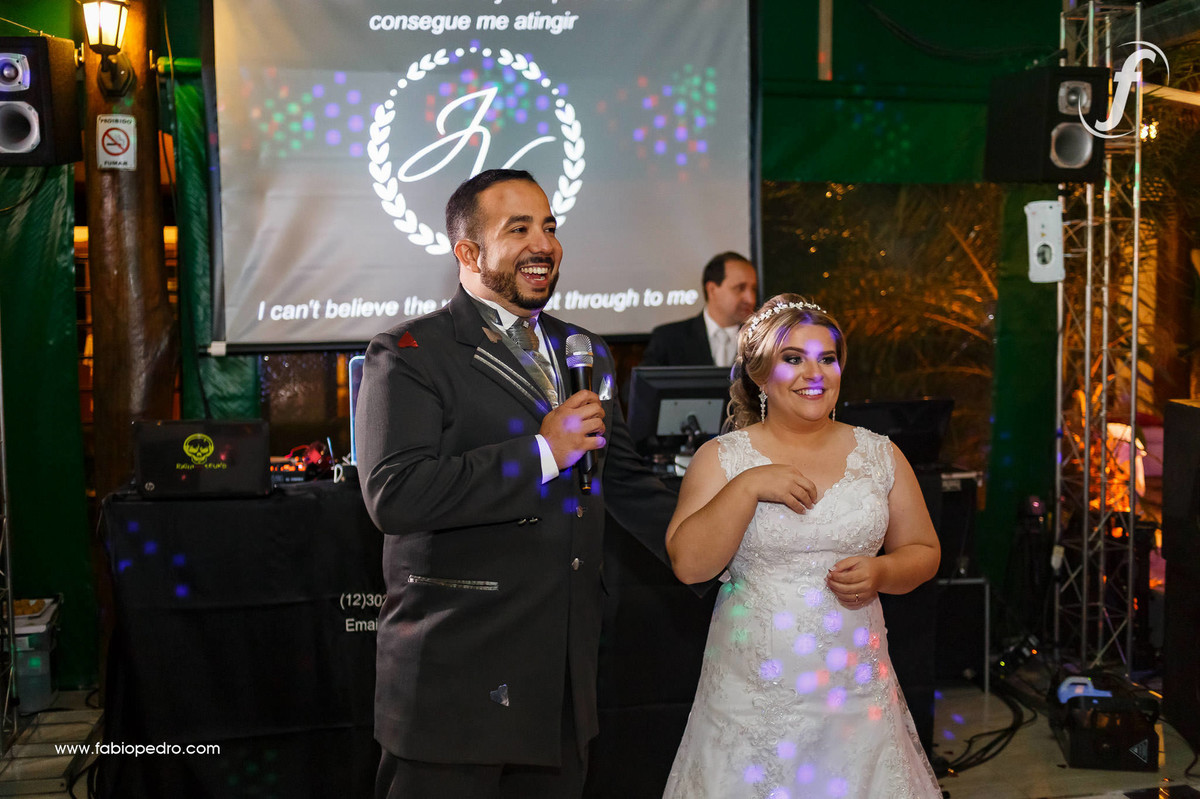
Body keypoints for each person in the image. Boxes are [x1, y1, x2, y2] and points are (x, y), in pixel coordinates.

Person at [355, 168, 679, 798]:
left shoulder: (586, 350)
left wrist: (726, 547)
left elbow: (624, 482)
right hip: (456, 676)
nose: (544, 244)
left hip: (560, 678)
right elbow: (396, 494)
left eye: (549, 227)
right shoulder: (410, 352)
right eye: (519, 229)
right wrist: (541, 453)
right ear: (468, 253)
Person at [661, 294, 943, 798]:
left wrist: (882, 573)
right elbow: (688, 565)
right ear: (760, 374)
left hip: (855, 692)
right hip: (752, 694)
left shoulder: (880, 454)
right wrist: (747, 487)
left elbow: (924, 550)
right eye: (793, 358)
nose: (814, 373)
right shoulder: (721, 458)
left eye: (827, 358)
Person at [641, 251, 759, 367]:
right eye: (740, 288)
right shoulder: (668, 339)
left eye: (753, 289)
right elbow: (642, 379)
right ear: (712, 290)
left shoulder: (761, 341)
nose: (750, 299)